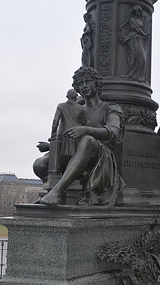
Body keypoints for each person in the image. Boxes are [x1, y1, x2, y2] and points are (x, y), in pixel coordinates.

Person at [40, 67, 125, 207]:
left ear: (96, 84)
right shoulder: (76, 108)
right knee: (40, 164)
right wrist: (51, 146)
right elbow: (68, 134)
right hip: (74, 153)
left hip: (100, 158)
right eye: (80, 83)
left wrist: (85, 130)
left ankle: (58, 191)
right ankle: (55, 193)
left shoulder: (110, 108)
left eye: (88, 81)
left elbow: (113, 131)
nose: (84, 86)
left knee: (87, 140)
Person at [119, 5, 148, 80]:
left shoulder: (141, 20)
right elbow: (137, 29)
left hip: (139, 39)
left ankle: (139, 75)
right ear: (134, 12)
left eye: (139, 11)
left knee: (143, 59)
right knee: (133, 57)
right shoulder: (132, 20)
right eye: (136, 11)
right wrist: (144, 34)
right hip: (132, 39)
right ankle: (132, 74)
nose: (137, 12)